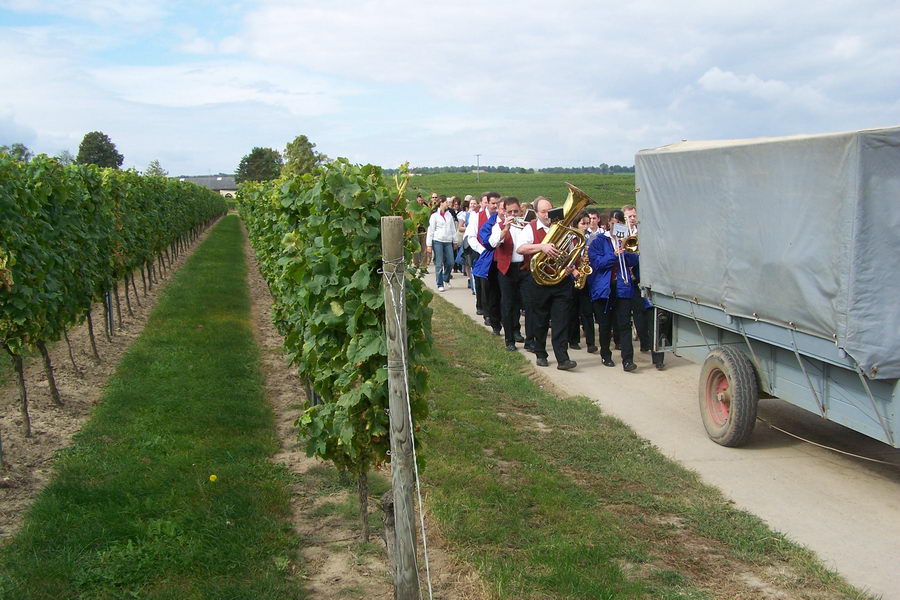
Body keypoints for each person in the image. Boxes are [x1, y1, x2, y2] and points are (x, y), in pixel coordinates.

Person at [515, 197, 577, 371]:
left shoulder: (562, 228)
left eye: (549, 211)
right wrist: (541, 247)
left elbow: (571, 252)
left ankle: (563, 359)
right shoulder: (530, 228)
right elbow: (520, 248)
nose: (547, 214)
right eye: (543, 211)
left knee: (561, 321)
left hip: (561, 281)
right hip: (539, 281)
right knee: (540, 320)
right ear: (536, 213)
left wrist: (569, 266)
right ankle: (541, 353)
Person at [587, 210, 638, 371]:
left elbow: (634, 261)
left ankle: (628, 360)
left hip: (622, 286)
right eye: (613, 222)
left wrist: (625, 248)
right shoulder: (598, 241)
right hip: (604, 288)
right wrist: (614, 255)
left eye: (619, 222)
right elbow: (597, 263)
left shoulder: (625, 240)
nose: (616, 225)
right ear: (608, 222)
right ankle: (605, 354)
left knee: (624, 324)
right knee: (605, 324)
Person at [621, 204, 665, 370]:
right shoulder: (621, 236)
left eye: (634, 216)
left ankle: (658, 358)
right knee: (637, 318)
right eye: (629, 217)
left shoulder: (645, 233)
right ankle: (642, 346)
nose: (632, 219)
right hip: (630, 283)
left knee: (653, 318)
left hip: (646, 280)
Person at [489, 197, 527, 350]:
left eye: (515, 211)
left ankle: (518, 331)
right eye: (510, 211)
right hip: (506, 269)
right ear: (504, 212)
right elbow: (492, 243)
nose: (513, 214)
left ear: (521, 211)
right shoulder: (499, 226)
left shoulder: (526, 226)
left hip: (524, 267)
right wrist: (505, 230)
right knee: (508, 303)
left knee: (522, 302)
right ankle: (509, 339)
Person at [568, 211, 597, 353]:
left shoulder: (591, 238)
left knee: (587, 311)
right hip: (572, 276)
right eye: (582, 223)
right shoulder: (570, 239)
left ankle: (591, 342)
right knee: (572, 310)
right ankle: (573, 339)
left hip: (586, 277)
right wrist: (574, 270)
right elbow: (566, 257)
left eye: (587, 223)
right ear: (576, 224)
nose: (585, 226)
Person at [426, 195, 457, 292]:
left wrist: (455, 241)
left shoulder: (449, 215)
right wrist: (429, 245)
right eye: (446, 202)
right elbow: (431, 231)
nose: (448, 204)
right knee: (439, 263)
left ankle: (446, 277)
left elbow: (453, 229)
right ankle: (439, 283)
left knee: (451, 261)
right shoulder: (434, 216)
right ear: (441, 203)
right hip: (438, 241)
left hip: (448, 241)